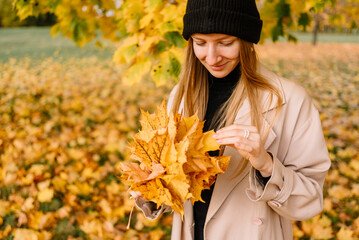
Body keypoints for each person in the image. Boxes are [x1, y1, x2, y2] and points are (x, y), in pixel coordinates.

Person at [132, 0, 331, 239]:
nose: (212, 56)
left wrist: (266, 165)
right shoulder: (181, 96)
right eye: (200, 43)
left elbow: (310, 200)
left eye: (225, 43)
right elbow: (179, 185)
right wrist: (152, 189)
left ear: (246, 40)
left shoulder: (290, 101)